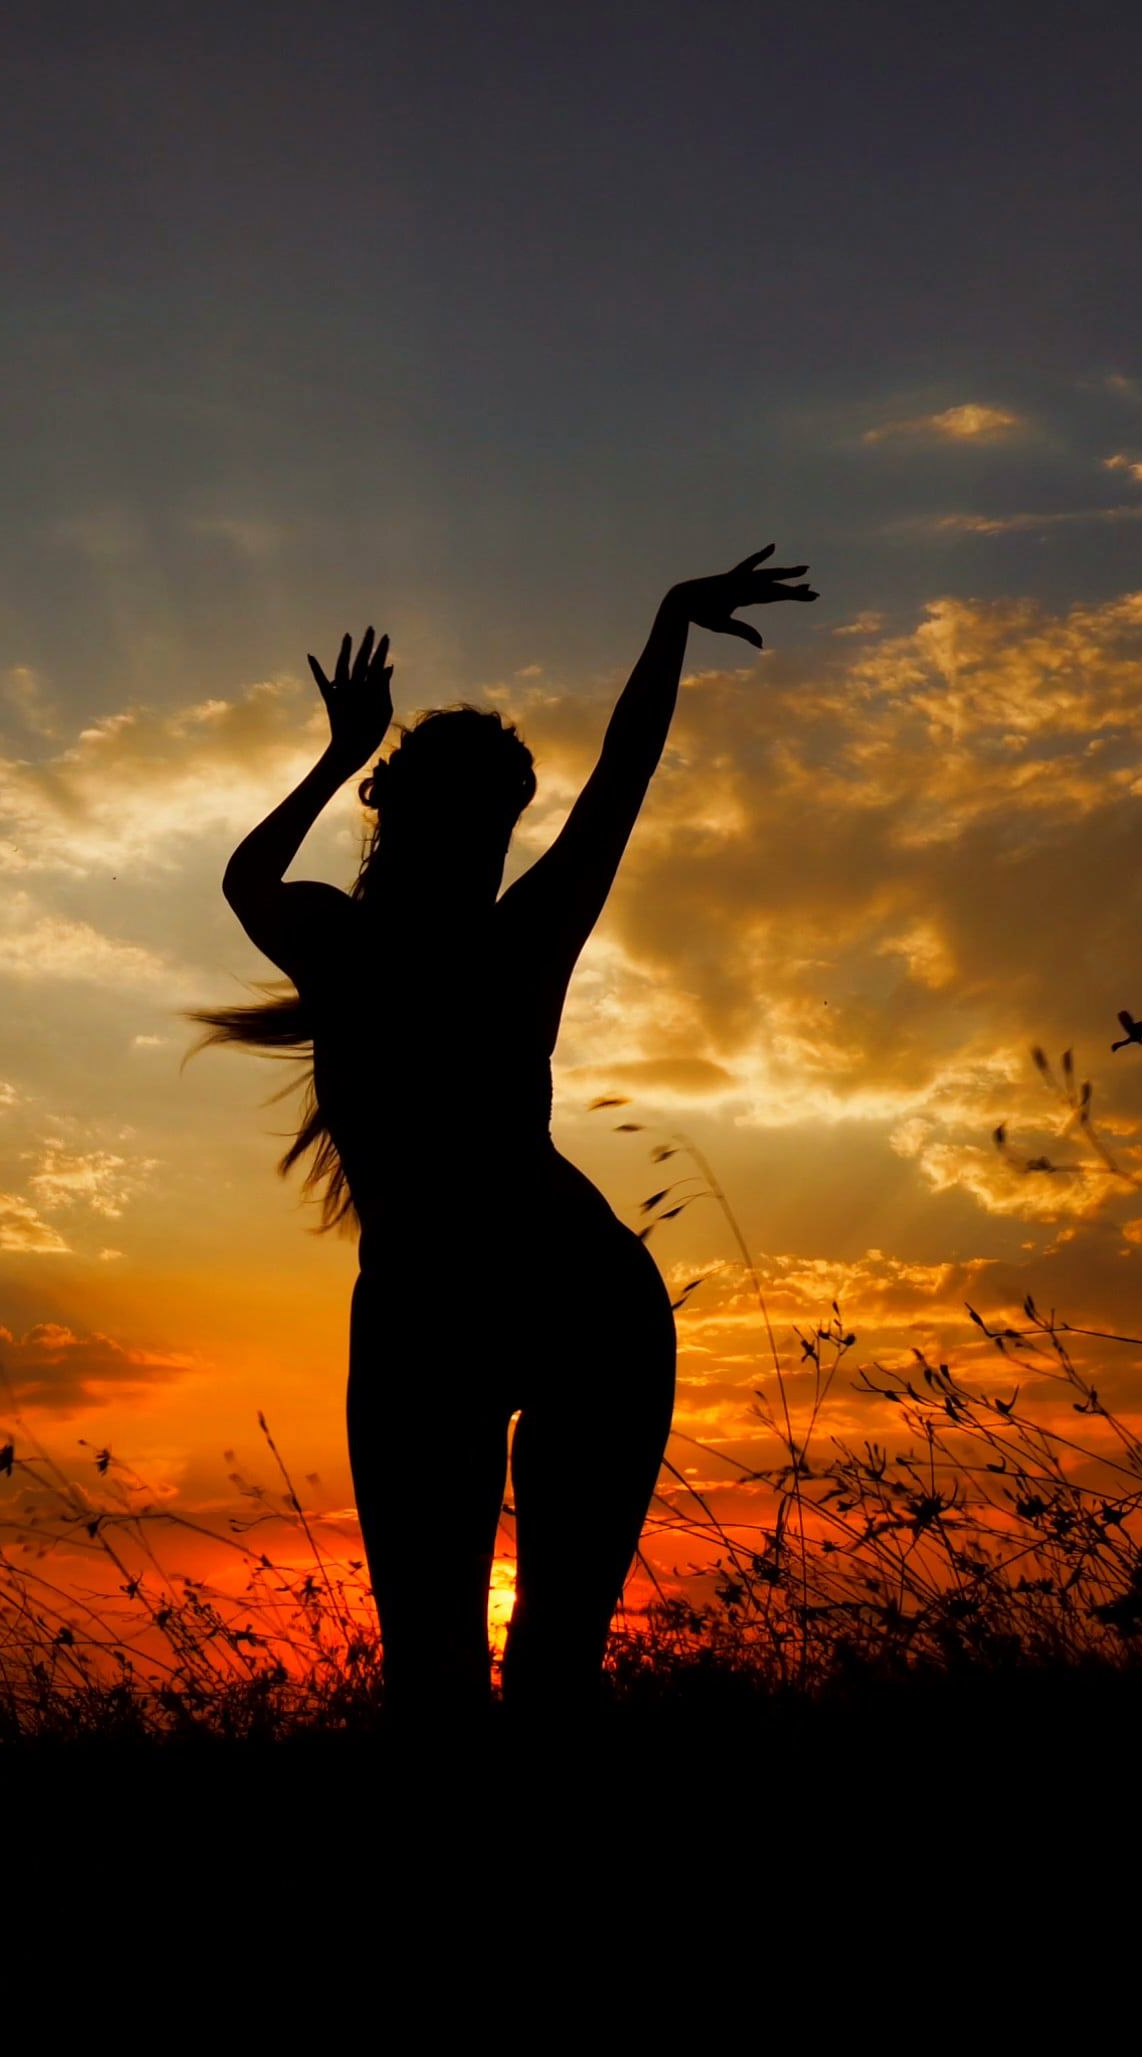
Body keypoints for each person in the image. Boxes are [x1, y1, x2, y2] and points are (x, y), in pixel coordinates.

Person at [200, 550, 816, 1718]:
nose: (495, 846)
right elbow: (246, 882)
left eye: (504, 822)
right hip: (478, 1310)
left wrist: (671, 624)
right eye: (481, 820)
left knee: (534, 1672)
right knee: (446, 1673)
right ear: (420, 821)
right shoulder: (372, 939)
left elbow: (622, 776)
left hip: (567, 1305)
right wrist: (341, 754)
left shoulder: (430, 937)